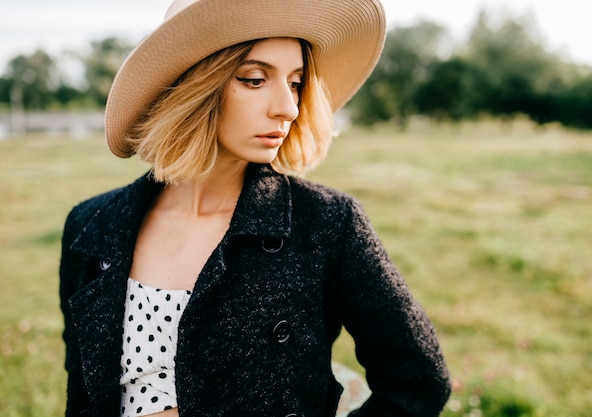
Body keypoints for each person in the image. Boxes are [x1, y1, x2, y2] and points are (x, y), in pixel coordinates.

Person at [59, 0, 452, 416]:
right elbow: (81, 391)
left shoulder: (328, 224)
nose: (288, 106)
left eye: (297, 82)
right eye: (254, 79)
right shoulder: (92, 226)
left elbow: (418, 383)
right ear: (195, 85)